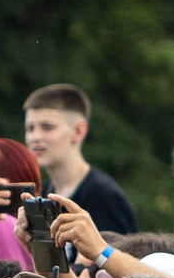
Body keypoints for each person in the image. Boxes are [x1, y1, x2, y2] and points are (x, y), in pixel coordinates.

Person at [23, 83, 136, 235]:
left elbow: (119, 258)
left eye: (47, 127)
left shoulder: (104, 197)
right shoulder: (41, 194)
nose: (35, 137)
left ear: (78, 131)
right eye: (30, 128)